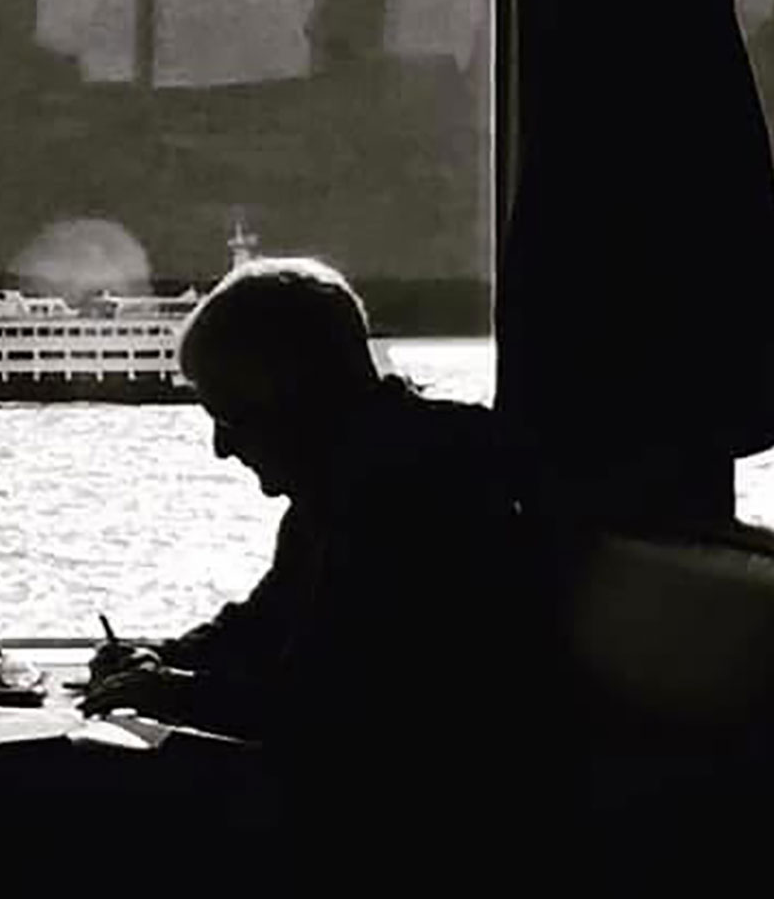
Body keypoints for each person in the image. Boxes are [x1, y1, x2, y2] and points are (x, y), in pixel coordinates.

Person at [80, 258, 551, 854]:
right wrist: (162, 659)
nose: (221, 448)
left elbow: (332, 711)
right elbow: (258, 627)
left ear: (290, 393)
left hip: (426, 830)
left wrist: (167, 691)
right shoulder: (350, 482)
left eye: (229, 416)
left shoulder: (414, 499)